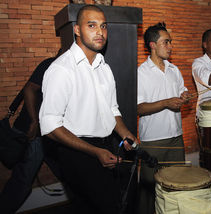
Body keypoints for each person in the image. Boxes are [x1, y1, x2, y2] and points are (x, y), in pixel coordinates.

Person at [39, 5, 137, 214]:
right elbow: (49, 125)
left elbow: (112, 109)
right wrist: (94, 152)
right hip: (76, 151)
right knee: (111, 206)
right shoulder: (61, 69)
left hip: (104, 146)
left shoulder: (104, 67)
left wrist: (125, 133)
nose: (100, 32)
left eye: (103, 26)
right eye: (91, 25)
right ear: (77, 30)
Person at [137, 22, 191, 214]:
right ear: (152, 45)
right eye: (166, 42)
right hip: (153, 140)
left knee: (176, 185)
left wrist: (184, 96)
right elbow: (139, 108)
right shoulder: (140, 73)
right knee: (150, 190)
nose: (170, 46)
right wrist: (166, 102)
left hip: (176, 137)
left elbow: (181, 90)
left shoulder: (173, 70)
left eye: (170, 42)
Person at [0, 56, 62, 214]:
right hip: (35, 132)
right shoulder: (51, 64)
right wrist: (34, 122)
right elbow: (29, 89)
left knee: (69, 172)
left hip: (51, 132)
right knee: (22, 180)